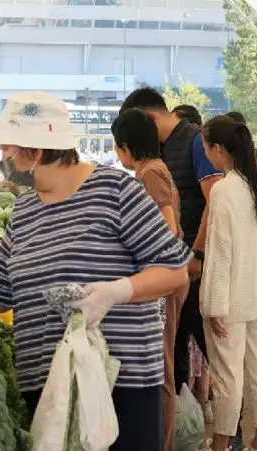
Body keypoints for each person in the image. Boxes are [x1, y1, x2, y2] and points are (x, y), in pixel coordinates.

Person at [0, 91, 191, 450]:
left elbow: (174, 270)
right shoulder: (25, 212)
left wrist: (116, 292)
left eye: (7, 148)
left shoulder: (116, 191)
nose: (2, 157)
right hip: (50, 392)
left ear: (36, 150)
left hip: (120, 388)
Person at [120, 87, 223, 394]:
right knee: (178, 347)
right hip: (178, 265)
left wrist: (198, 255)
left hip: (195, 263)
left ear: (150, 118)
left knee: (213, 346)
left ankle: (237, 416)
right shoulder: (161, 152)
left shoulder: (196, 142)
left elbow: (216, 202)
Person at [111, 108, 188, 450]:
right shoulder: (151, 170)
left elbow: (167, 228)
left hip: (164, 281)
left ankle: (163, 443)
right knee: (161, 366)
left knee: (161, 369)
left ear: (126, 147)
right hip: (166, 279)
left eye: (117, 146)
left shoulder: (151, 174)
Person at [198, 115, 257, 451]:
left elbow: (220, 251)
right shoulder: (252, 185)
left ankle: (220, 445)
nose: (206, 153)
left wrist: (215, 305)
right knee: (254, 373)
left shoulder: (224, 189)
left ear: (218, 149)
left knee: (227, 378)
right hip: (253, 294)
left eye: (206, 147)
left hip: (229, 298)